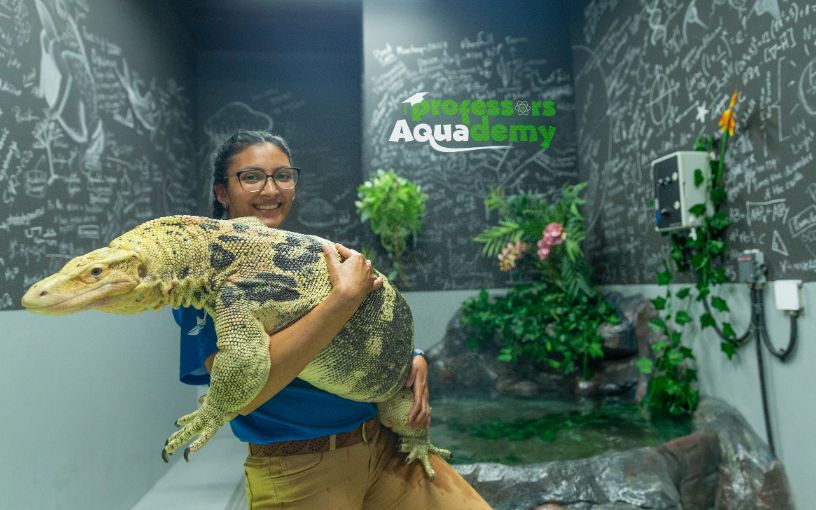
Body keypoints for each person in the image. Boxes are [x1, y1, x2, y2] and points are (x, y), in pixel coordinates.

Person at [172, 130, 492, 509]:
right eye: (252, 177)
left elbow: (365, 328)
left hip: (386, 447)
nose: (271, 190)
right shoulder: (201, 283)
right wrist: (341, 299)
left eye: (283, 175)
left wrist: (413, 357)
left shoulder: (309, 253)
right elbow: (243, 397)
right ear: (222, 192)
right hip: (301, 471)